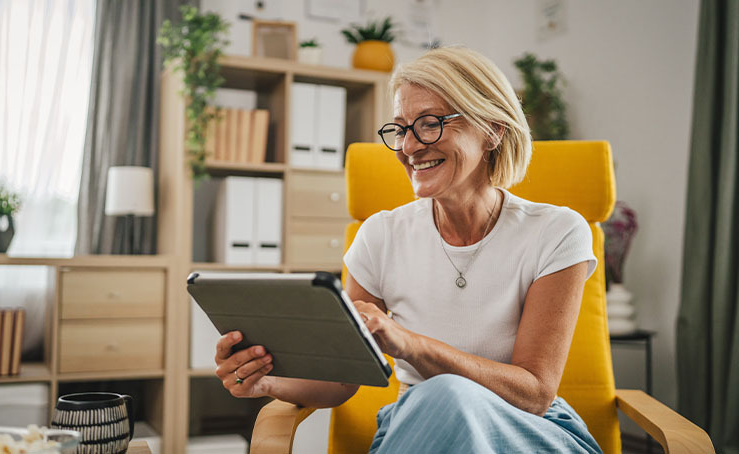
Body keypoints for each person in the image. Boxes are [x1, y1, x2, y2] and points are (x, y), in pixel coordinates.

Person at [214, 46, 602, 453]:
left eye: (430, 124)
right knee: (437, 401)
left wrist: (409, 343)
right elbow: (344, 376)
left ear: (492, 130)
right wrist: (264, 381)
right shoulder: (380, 235)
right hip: (420, 427)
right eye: (401, 128)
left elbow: (535, 393)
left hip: (527, 432)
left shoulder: (557, 232)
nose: (410, 146)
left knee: (447, 395)